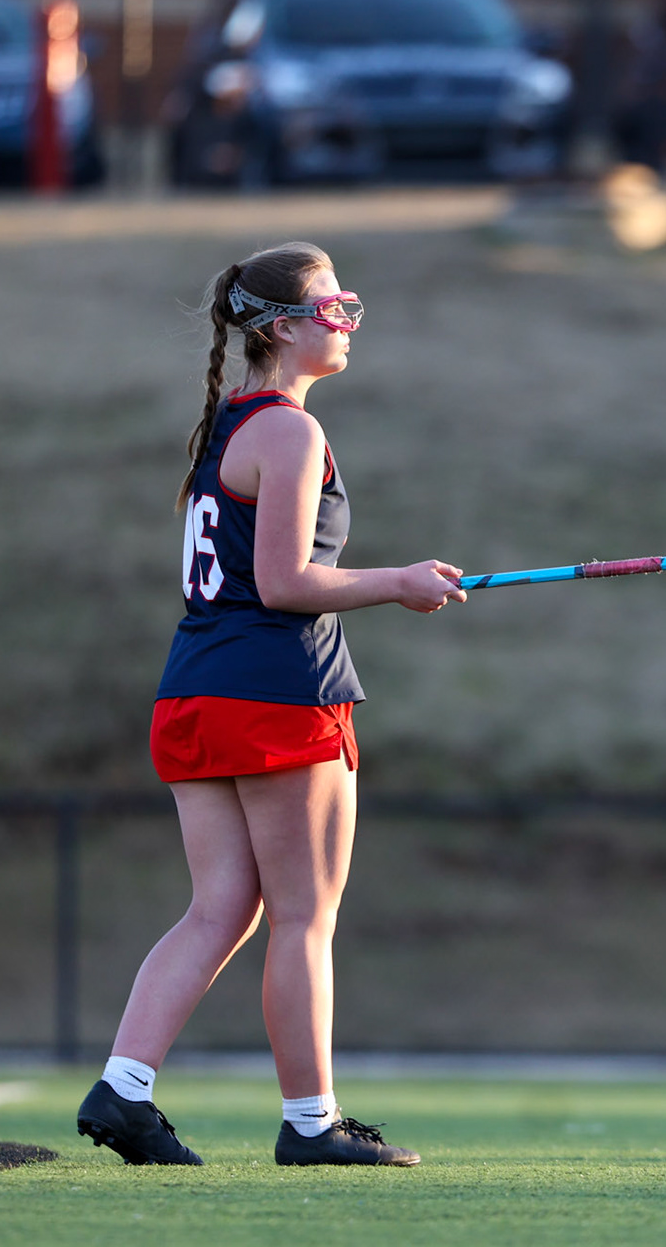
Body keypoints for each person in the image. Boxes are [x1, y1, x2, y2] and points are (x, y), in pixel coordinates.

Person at [76, 241, 466, 1168]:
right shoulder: (290, 432)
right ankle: (309, 1123)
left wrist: (390, 582)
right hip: (278, 693)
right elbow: (287, 583)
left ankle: (124, 1089)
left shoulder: (228, 426)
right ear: (284, 327)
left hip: (195, 690)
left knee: (221, 908)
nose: (345, 320)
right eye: (332, 306)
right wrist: (398, 581)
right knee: (303, 914)